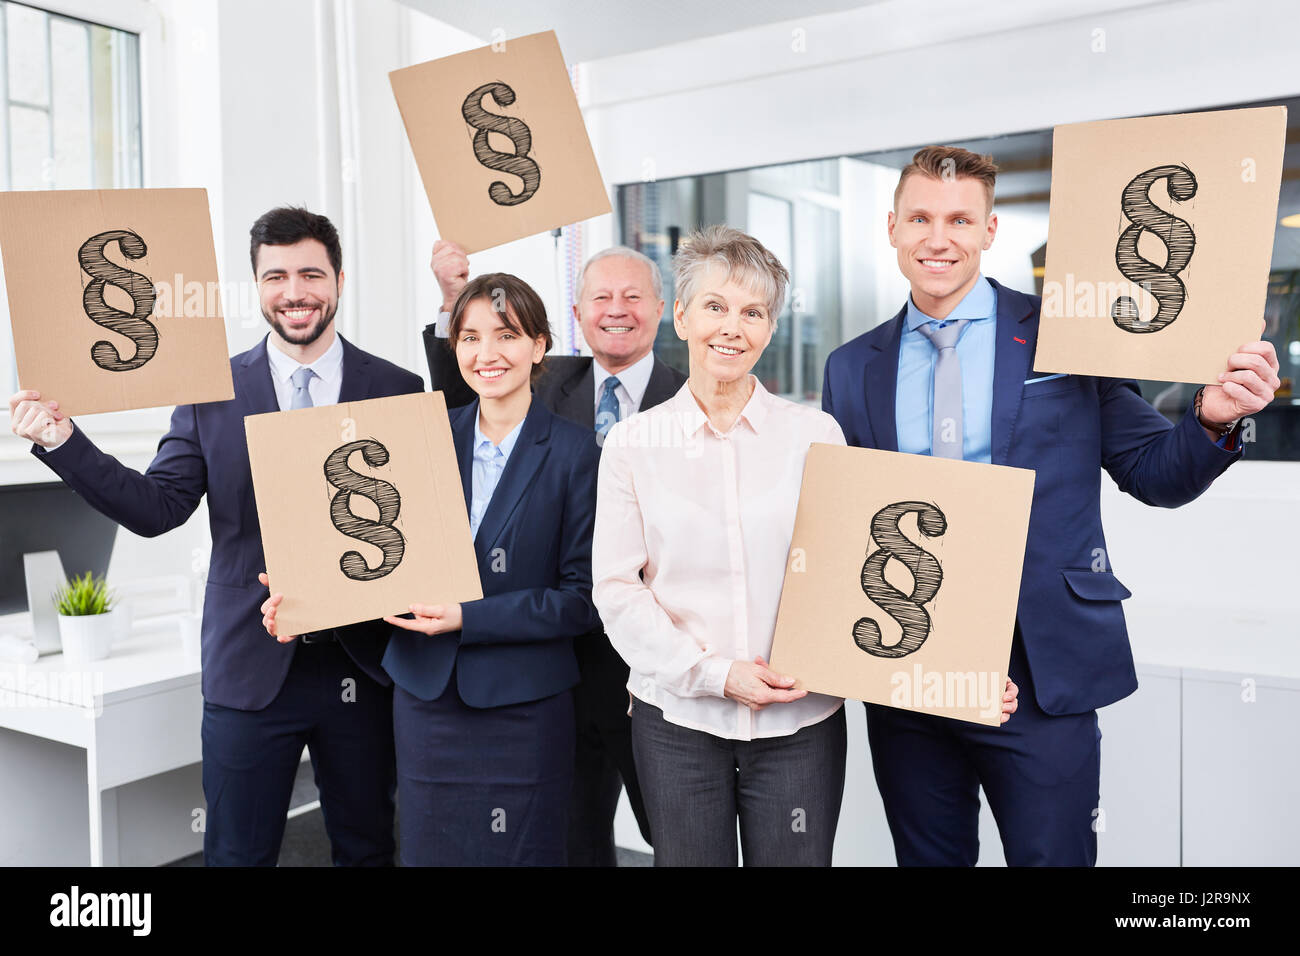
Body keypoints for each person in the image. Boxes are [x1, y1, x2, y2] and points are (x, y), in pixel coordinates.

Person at [822, 145, 1281, 867]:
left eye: (959, 220)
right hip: (911, 662)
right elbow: (845, 521)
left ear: (989, 231)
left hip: (1041, 666)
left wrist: (1212, 418)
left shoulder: (1067, 332)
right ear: (891, 227)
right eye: (920, 217)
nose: (938, 238)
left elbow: (1152, 472)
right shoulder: (850, 367)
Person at [592, 224, 1020, 866]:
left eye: (753, 311)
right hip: (678, 721)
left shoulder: (815, 435)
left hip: (800, 725)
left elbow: (868, 571)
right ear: (680, 315)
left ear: (769, 328)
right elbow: (618, 588)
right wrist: (716, 674)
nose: (732, 327)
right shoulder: (632, 444)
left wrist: (962, 670)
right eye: (715, 306)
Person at [9, 207, 423, 866]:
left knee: (369, 846)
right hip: (250, 668)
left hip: (362, 668)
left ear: (340, 280)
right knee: (236, 853)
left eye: (312, 273)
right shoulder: (210, 391)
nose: (296, 292)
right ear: (257, 286)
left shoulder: (398, 389)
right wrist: (62, 440)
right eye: (277, 275)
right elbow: (155, 508)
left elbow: (418, 528)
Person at [265, 273, 600, 865]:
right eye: (469, 338)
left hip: (523, 708)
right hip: (427, 703)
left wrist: (468, 618)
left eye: (507, 335)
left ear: (540, 344)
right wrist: (306, 594)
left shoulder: (578, 454)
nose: (486, 354)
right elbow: (377, 557)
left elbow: (581, 600)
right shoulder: (420, 438)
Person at [423, 240, 682, 865]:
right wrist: (454, 295)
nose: (616, 310)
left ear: (663, 307)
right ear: (575, 314)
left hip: (648, 666)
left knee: (674, 832)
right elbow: (466, 395)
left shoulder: (692, 397)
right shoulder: (547, 377)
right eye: (600, 297)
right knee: (572, 835)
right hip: (552, 667)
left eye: (632, 296)